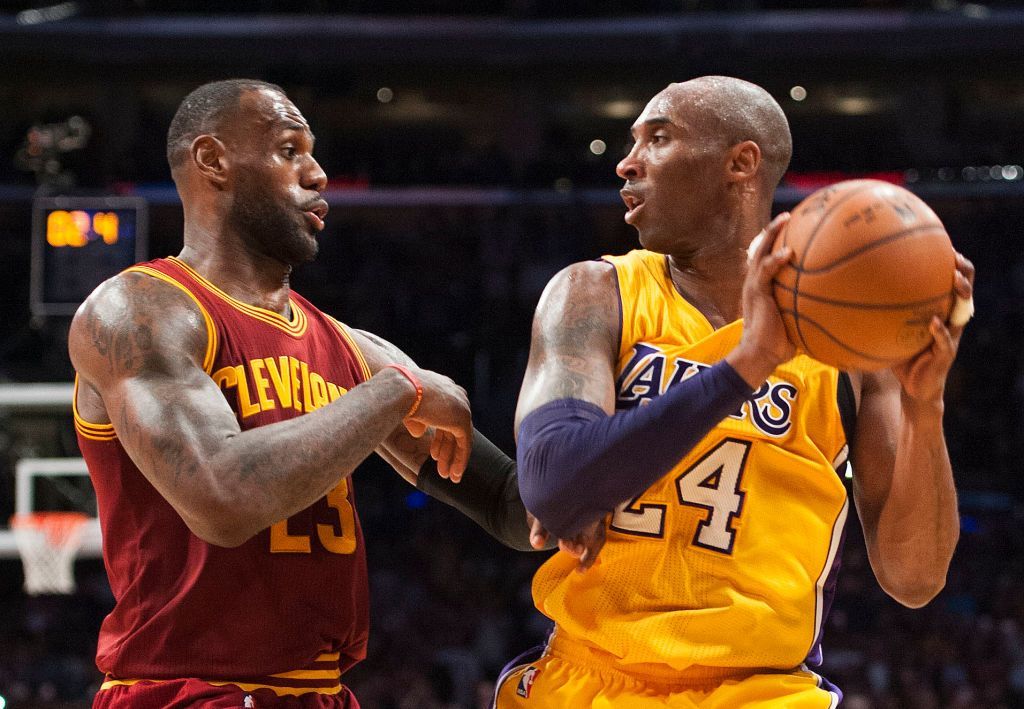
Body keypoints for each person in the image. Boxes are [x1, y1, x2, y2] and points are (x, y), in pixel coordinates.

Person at [498, 76, 975, 707]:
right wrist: (748, 364)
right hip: (592, 678)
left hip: (762, 689)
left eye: (658, 138)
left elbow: (915, 579)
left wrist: (924, 404)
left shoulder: (846, 346)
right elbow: (553, 486)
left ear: (741, 164)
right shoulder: (595, 293)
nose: (626, 163)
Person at [68, 79, 539, 709]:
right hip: (185, 690)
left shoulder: (352, 349)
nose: (317, 175)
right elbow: (222, 498)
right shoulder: (140, 310)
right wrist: (394, 392)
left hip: (320, 692)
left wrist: (641, 425)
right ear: (213, 160)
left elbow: (511, 506)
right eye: (290, 150)